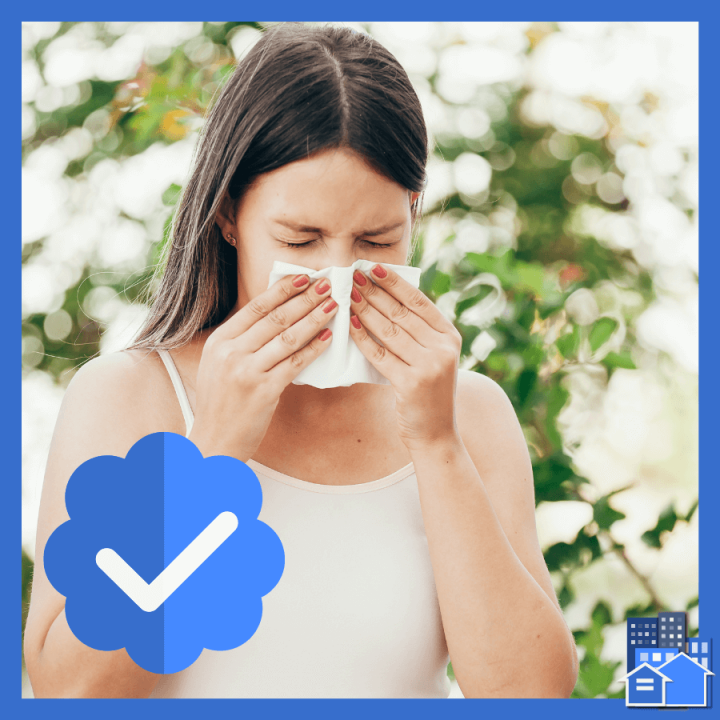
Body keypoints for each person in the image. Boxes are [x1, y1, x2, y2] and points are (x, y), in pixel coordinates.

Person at [24, 22, 578, 699]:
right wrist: (214, 452)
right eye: (301, 239)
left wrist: (436, 444)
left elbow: (532, 695)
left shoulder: (470, 414)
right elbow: (68, 692)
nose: (337, 277)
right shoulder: (128, 397)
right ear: (229, 216)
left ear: (413, 213)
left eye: (376, 239)